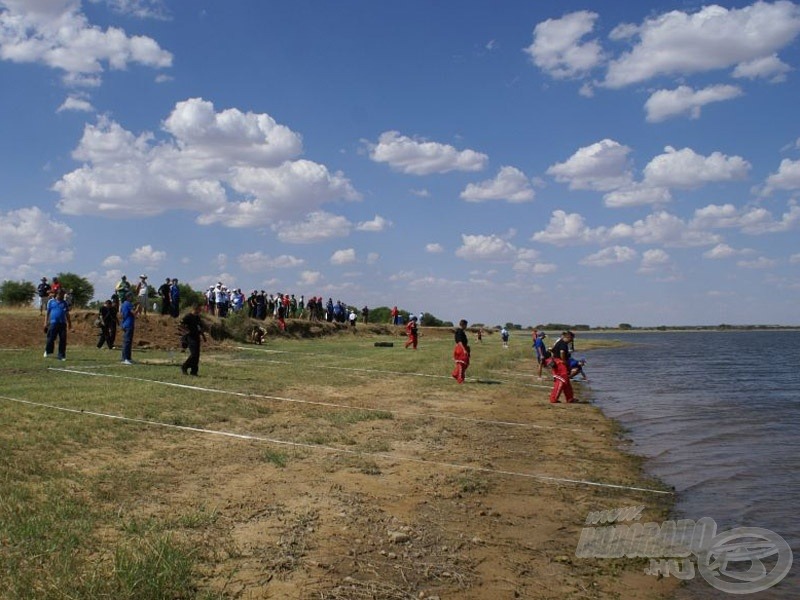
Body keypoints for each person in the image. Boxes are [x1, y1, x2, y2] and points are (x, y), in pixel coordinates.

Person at [180, 303, 207, 376]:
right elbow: (181, 324)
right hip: (190, 337)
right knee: (194, 354)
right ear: (195, 309)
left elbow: (199, 327)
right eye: (199, 309)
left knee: (197, 355)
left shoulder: (197, 317)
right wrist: (187, 331)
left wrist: (203, 335)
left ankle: (194, 371)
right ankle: (184, 366)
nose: (200, 311)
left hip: (196, 336)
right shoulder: (188, 316)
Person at [44, 288, 71, 360]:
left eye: (63, 295)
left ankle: (61, 355)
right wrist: (45, 323)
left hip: (62, 323)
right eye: (61, 295)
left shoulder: (64, 303)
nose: (62, 296)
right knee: (51, 338)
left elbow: (67, 314)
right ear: (57, 294)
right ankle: (48, 350)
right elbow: (47, 313)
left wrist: (69, 324)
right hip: (53, 323)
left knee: (63, 339)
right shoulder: (51, 302)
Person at [549, 331, 576, 403]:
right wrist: (564, 361)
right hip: (560, 363)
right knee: (561, 381)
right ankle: (553, 399)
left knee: (566, 381)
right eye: (571, 339)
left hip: (558, 362)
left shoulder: (560, 342)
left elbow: (552, 351)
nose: (571, 341)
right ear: (568, 337)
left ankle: (570, 398)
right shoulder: (563, 343)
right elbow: (562, 352)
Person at [120, 292, 139, 365]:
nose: (132, 298)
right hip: (129, 324)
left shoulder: (124, 304)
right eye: (131, 297)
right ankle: (125, 359)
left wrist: (135, 304)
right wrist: (138, 306)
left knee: (128, 342)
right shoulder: (128, 304)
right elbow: (134, 313)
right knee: (127, 342)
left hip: (125, 324)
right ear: (128, 297)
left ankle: (128, 358)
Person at [452, 319, 470, 383]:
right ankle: (459, 378)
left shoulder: (462, 331)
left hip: (463, 347)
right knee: (461, 364)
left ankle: (455, 374)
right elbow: (459, 341)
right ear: (463, 325)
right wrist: (464, 349)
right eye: (466, 325)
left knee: (466, 363)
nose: (466, 326)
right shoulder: (459, 331)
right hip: (461, 348)